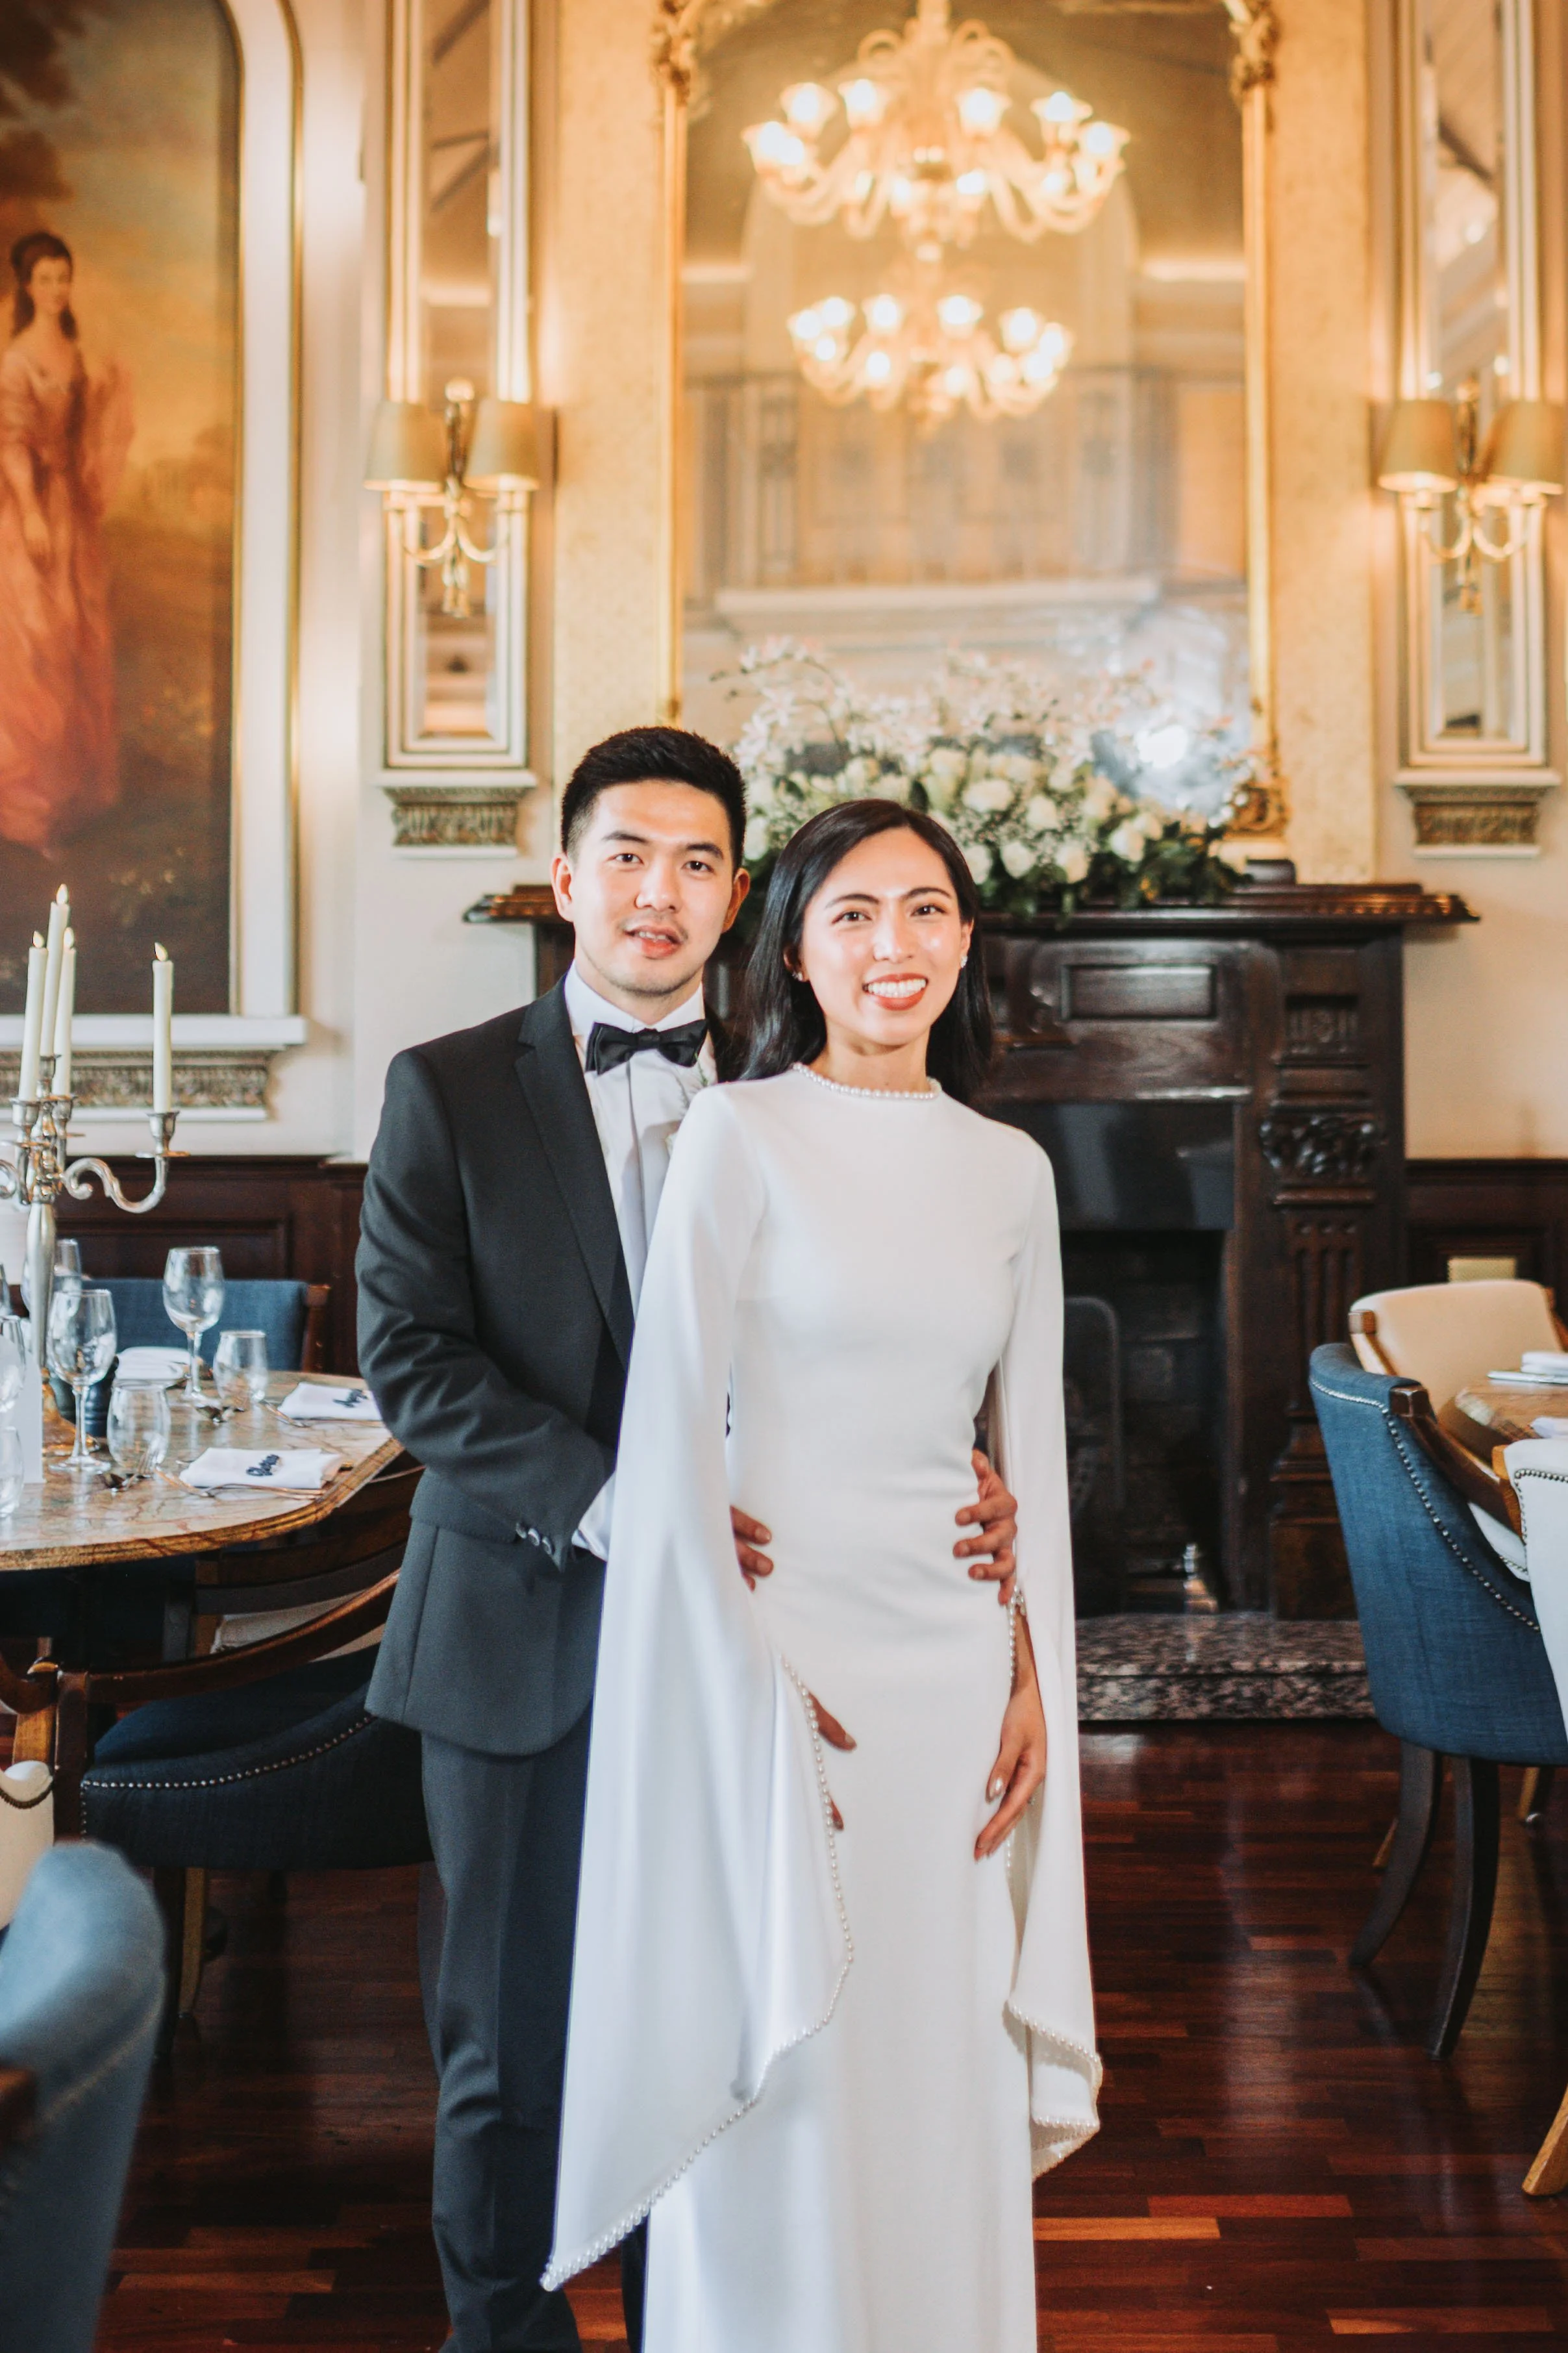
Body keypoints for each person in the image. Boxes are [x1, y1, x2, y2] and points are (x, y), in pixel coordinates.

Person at [356, 732, 1022, 2353]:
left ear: (740, 904)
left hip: (777, 1644)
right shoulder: (446, 1086)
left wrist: (972, 1467)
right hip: (529, 1631)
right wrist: (635, 1506)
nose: (660, 891)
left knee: (733, 2032)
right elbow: (412, 1356)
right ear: (565, 877)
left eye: (700, 863)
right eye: (629, 855)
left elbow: (895, 1331)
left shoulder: (810, 1095)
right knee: (509, 2050)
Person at [547, 798, 1102, 2353]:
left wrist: (1029, 1679)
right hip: (782, 1663)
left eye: (924, 910)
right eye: (851, 913)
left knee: (933, 2045)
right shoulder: (736, 1134)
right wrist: (741, 1678)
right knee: (792, 2051)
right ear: (792, 949)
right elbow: (670, 1435)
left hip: (951, 1683)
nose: (891, 945)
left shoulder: (1011, 1171)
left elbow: (1025, 1463)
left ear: (966, 941)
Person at [0, 231, 131, 854]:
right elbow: (11, 443)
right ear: (27, 286)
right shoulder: (17, 358)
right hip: (30, 513)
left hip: (70, 515)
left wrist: (106, 393)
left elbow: (81, 436)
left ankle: (73, 792)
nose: (56, 289)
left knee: (78, 641)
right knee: (36, 647)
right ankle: (33, 803)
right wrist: (31, 513)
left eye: (63, 278)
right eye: (45, 279)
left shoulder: (73, 353)